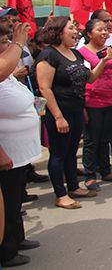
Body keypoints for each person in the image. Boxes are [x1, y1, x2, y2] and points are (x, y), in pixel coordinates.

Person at [36, 17, 112, 209]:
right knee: (58, 154)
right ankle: (60, 194)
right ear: (58, 32)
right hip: (58, 113)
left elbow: (90, 78)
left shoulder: (76, 55)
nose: (76, 32)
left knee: (71, 152)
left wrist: (104, 61)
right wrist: (58, 117)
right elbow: (45, 89)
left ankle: (74, 187)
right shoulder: (48, 55)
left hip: (76, 110)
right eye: (71, 28)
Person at [0, 22, 41, 268]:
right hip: (7, 150)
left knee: (15, 199)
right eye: (4, 42)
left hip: (20, 151)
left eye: (9, 41)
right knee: (6, 199)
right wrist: (18, 43)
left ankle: (17, 238)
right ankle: (7, 249)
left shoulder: (9, 75)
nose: (10, 46)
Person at [78, 19, 112, 192]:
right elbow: (82, 80)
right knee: (92, 139)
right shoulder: (81, 53)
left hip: (111, 100)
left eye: (106, 30)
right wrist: (82, 106)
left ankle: (106, 170)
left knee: (106, 137)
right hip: (92, 101)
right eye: (100, 30)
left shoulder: (111, 51)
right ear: (89, 34)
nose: (104, 33)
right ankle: (90, 175)